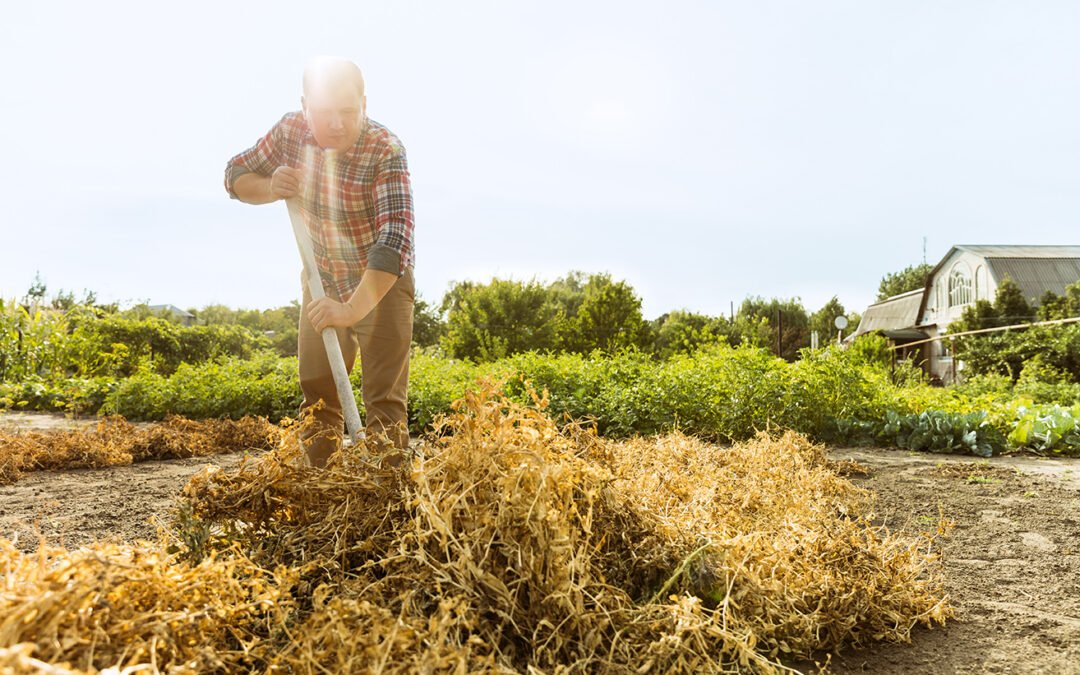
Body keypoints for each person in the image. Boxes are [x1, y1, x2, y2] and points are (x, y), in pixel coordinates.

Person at [224, 57, 415, 468]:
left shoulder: (386, 149)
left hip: (381, 282)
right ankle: (320, 489)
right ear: (304, 105)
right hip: (321, 278)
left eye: (348, 111)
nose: (338, 124)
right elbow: (235, 175)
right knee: (319, 394)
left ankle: (388, 496)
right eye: (324, 113)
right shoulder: (290, 132)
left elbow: (394, 239)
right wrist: (270, 185)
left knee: (384, 397)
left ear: (364, 103)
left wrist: (349, 310)